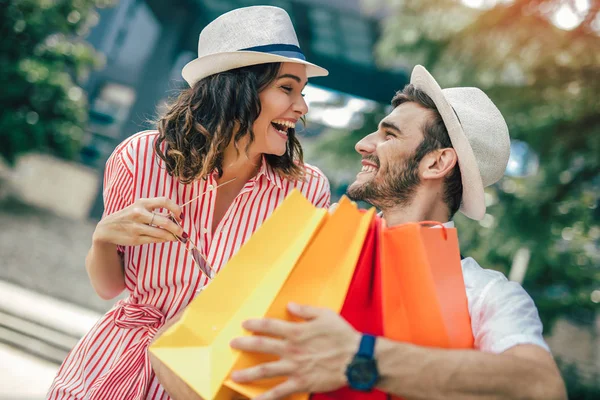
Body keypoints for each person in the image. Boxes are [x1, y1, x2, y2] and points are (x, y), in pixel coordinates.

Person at [227, 65, 567, 400]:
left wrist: (361, 356)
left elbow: (542, 387)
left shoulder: (483, 293)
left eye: (389, 135)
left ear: (436, 163)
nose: (362, 144)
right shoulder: (318, 236)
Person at [46, 6, 331, 400]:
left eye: (302, 92)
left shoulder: (306, 190)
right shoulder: (140, 156)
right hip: (111, 373)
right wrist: (103, 240)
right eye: (287, 88)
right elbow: (110, 287)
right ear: (237, 88)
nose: (302, 107)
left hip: (205, 379)